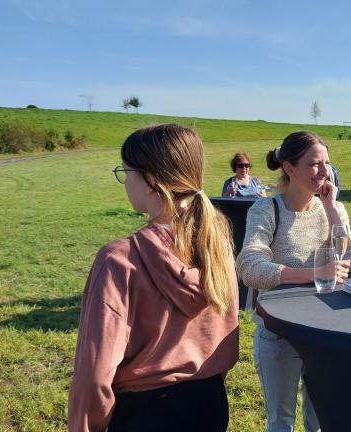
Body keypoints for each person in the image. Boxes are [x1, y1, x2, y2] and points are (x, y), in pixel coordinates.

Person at [68, 124, 240, 432]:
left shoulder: (119, 260)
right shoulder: (218, 244)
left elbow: (94, 376)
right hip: (210, 404)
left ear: (150, 180)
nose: (125, 181)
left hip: (143, 412)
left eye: (127, 171)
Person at [236, 131, 351, 432]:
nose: (324, 171)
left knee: (319, 420)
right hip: (279, 335)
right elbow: (249, 267)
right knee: (281, 422)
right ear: (289, 168)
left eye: (327, 163)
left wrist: (331, 211)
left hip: (325, 332)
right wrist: (314, 274)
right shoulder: (267, 209)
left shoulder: (334, 208)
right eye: (314, 164)